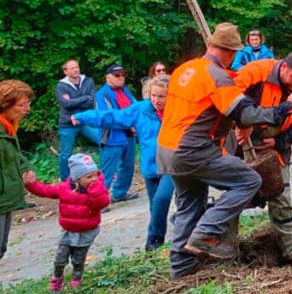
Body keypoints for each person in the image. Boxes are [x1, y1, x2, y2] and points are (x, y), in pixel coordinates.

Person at [157, 22, 292, 278]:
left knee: (190, 205)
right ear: (230, 53)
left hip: (167, 151)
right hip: (193, 149)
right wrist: (282, 109)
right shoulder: (217, 77)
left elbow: (207, 109)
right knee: (248, 180)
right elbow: (246, 113)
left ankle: (181, 268)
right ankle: (207, 232)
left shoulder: (186, 69)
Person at [232, 54, 292, 264]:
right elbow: (228, 101)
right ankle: (228, 253)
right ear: (285, 69)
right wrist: (242, 125)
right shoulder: (255, 73)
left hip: (277, 149)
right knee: (235, 198)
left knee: (282, 198)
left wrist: (279, 141)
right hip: (241, 145)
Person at [74, 74, 172, 251]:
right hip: (151, 167)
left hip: (173, 166)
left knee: (162, 199)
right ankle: (155, 246)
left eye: (161, 96)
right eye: (153, 95)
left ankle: (159, 241)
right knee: (155, 207)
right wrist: (84, 117)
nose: (156, 100)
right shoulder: (141, 109)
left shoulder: (177, 111)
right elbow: (112, 117)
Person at [24, 154, 109, 292]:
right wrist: (31, 184)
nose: (94, 179)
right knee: (60, 258)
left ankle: (76, 279)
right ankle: (57, 277)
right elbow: (46, 190)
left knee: (78, 259)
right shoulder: (64, 189)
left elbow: (103, 203)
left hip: (87, 231)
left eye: (95, 175)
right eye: (89, 177)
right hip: (68, 231)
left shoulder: (97, 189)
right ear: (77, 178)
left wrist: (94, 190)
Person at [0, 79, 35, 261]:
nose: (27, 109)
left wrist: (25, 168)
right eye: (21, 105)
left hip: (7, 198)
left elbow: (15, 154)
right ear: (5, 106)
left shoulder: (8, 127)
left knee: (1, 247)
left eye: (27, 104)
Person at [94, 64, 139, 203]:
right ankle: (99, 201)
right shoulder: (102, 94)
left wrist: (135, 124)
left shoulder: (126, 91)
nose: (121, 78)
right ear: (108, 78)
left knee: (128, 166)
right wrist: (128, 125)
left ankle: (119, 193)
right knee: (108, 170)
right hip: (111, 137)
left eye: (123, 75)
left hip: (128, 136)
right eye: (117, 75)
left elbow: (135, 107)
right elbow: (108, 116)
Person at [55, 60, 99, 181]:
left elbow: (93, 101)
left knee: (103, 141)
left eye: (76, 67)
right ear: (65, 71)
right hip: (67, 124)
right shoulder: (61, 86)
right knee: (66, 154)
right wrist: (85, 97)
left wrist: (75, 101)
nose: (75, 70)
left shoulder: (88, 81)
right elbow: (66, 104)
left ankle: (106, 172)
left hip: (85, 121)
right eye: (72, 68)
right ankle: (65, 179)